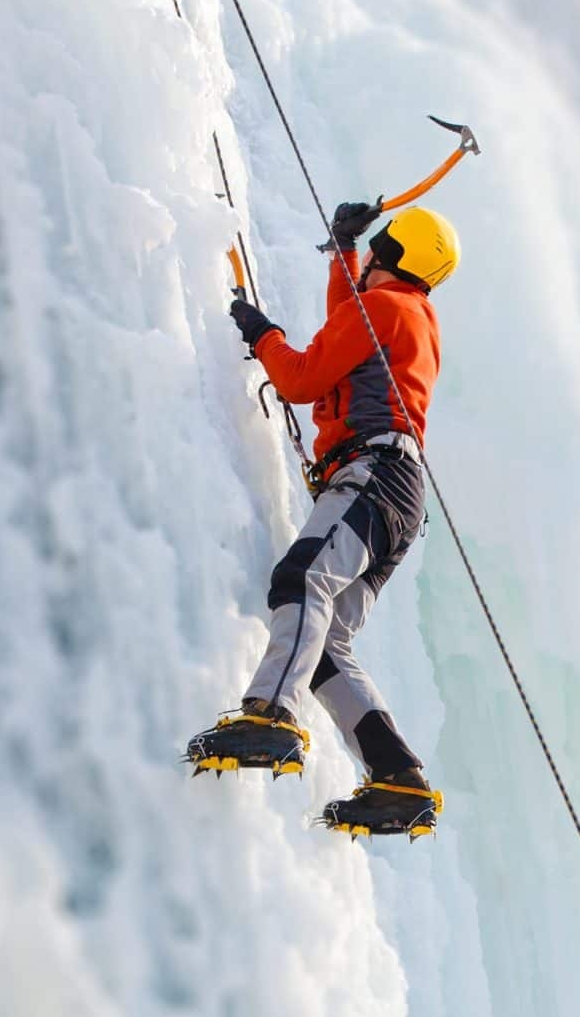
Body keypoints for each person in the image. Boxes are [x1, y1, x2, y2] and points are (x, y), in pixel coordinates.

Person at [184, 199, 462, 837]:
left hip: (369, 476)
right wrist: (343, 252)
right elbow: (349, 326)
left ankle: (272, 713)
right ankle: (398, 779)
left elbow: (305, 379)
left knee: (298, 579)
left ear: (389, 256)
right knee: (329, 646)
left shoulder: (386, 309)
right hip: (398, 495)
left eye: (376, 250)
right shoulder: (411, 315)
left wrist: (261, 335)